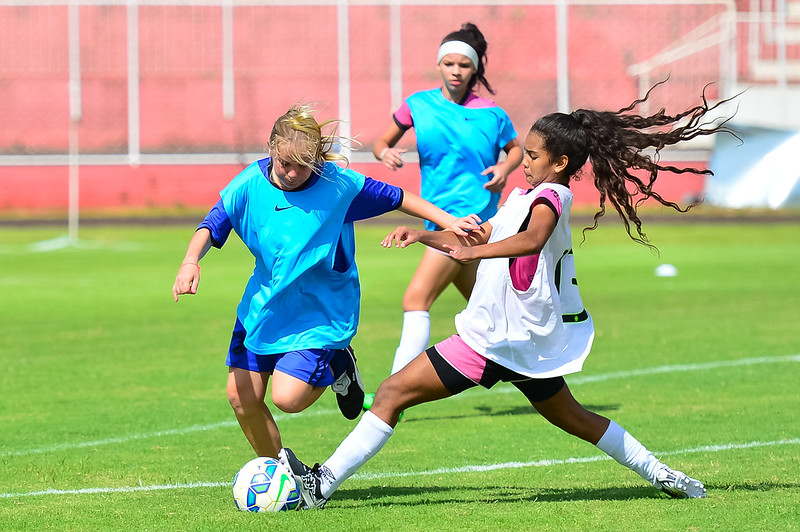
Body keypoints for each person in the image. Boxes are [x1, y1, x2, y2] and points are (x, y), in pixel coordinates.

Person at [280, 86, 736, 507]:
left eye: (533, 155)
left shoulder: (552, 196)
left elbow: (532, 240)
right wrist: (423, 235)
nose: (524, 161)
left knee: (393, 393)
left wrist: (470, 248)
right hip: (519, 338)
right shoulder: (523, 194)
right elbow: (480, 235)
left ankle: (320, 486)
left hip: (496, 337)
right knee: (574, 418)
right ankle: (661, 474)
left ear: (559, 163)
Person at [172, 104, 479, 459]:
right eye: (285, 162)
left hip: (321, 311)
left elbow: (400, 198)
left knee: (288, 398)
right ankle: (278, 473)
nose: (291, 172)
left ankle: (338, 362)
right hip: (265, 306)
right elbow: (212, 223)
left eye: (303, 165)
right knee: (241, 398)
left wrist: (448, 222)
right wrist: (190, 261)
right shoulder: (249, 184)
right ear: (272, 148)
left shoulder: (338, 185)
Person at [372, 22, 523, 380]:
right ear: (439, 65)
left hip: (470, 220)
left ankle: (393, 391)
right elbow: (381, 142)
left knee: (415, 300)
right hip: (436, 216)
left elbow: (516, 150)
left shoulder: (492, 113)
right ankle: (531, 370)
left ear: (475, 69)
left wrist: (504, 167)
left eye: (464, 65)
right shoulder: (417, 105)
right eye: (449, 64)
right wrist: (386, 154)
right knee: (488, 310)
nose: (456, 71)